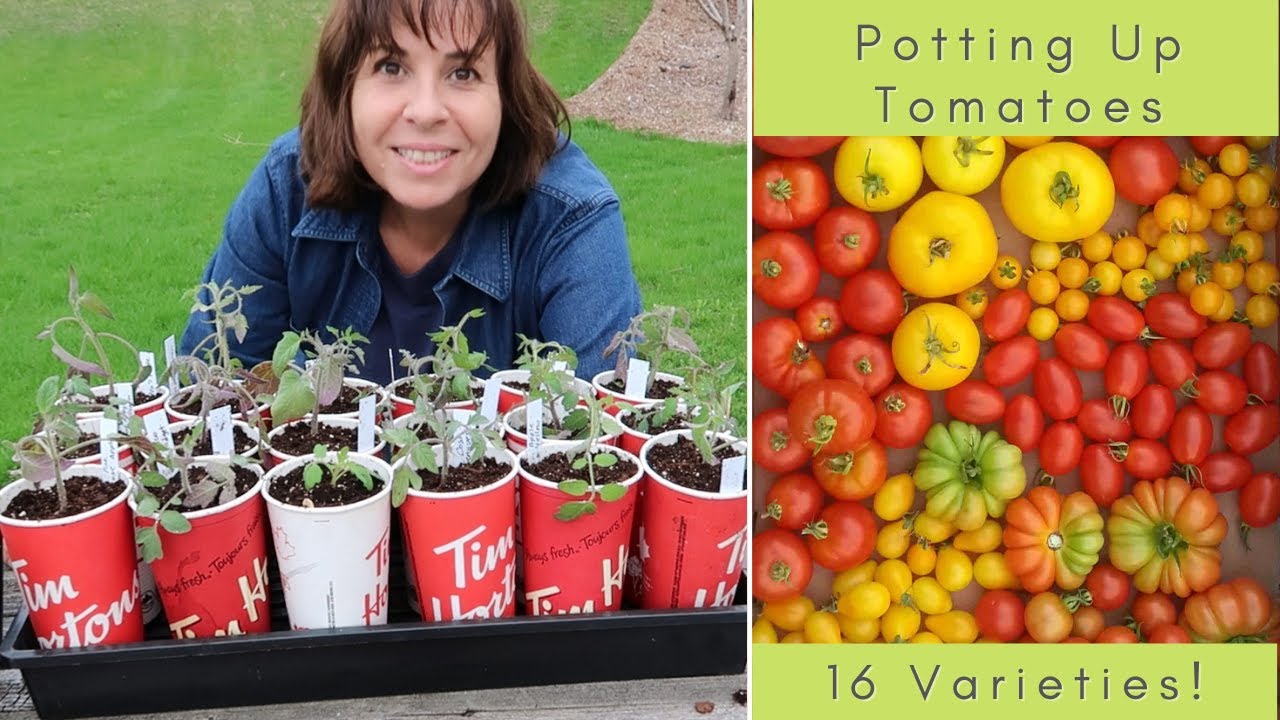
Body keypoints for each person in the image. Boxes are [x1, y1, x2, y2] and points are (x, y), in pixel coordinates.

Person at [179, 0, 643, 386]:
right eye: (391, 66)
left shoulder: (572, 220)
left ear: (505, 93)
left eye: (463, 73)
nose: (425, 112)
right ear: (346, 87)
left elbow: (597, 445)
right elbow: (209, 399)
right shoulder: (287, 189)